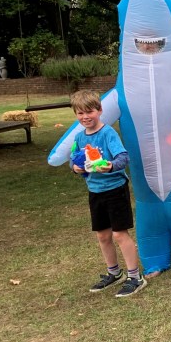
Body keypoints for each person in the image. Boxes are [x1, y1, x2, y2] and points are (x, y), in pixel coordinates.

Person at [67, 90, 144, 297]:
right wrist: (75, 168)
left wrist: (109, 166)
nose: (85, 117)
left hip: (115, 190)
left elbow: (123, 158)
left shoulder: (108, 133)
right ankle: (114, 273)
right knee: (103, 235)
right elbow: (73, 159)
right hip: (95, 192)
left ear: (99, 110)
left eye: (89, 111)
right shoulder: (79, 137)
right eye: (80, 113)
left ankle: (135, 277)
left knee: (119, 234)